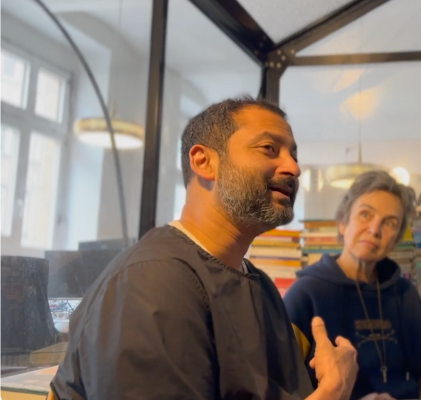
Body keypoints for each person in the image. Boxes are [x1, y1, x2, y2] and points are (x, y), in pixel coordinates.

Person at [50, 97, 358, 399]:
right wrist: (332, 393)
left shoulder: (258, 285)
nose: (293, 167)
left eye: (294, 155)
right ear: (203, 161)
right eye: (269, 149)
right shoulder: (152, 283)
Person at [283, 171, 421, 400]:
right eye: (365, 214)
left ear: (396, 239)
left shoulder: (406, 295)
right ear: (343, 222)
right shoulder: (304, 295)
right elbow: (278, 387)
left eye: (390, 222)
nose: (375, 230)